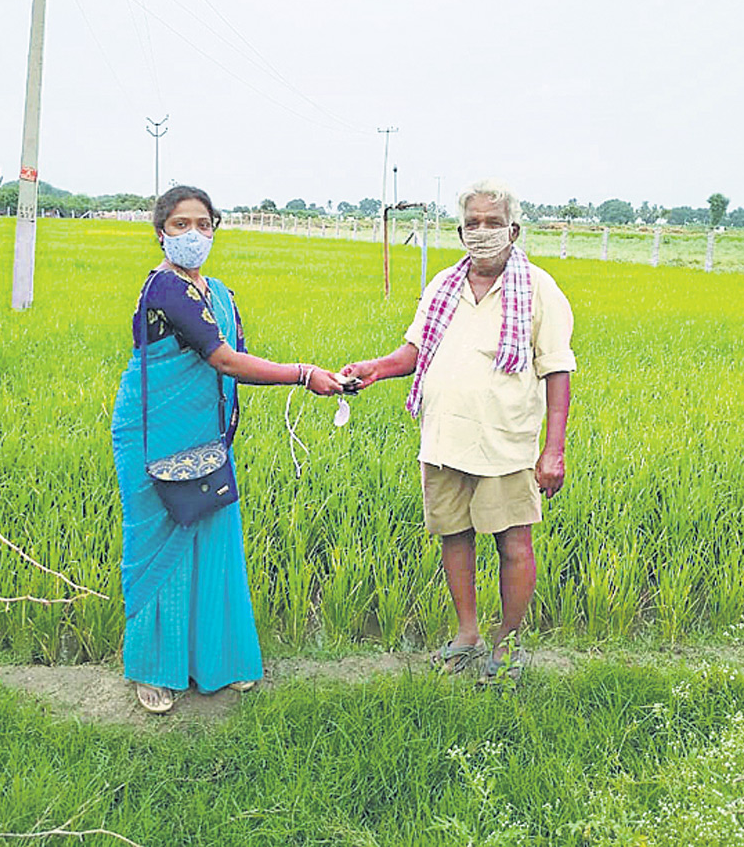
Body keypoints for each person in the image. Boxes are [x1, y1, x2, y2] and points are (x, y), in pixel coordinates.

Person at [112, 185, 343, 713]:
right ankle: (154, 669)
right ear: (160, 231)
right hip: (153, 435)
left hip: (207, 436)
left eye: (203, 224)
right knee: (158, 550)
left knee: (214, 540)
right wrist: (304, 374)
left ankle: (217, 663)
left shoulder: (220, 292)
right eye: (180, 224)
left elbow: (234, 356)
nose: (193, 234)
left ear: (215, 230)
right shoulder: (165, 290)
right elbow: (224, 361)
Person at [341, 179, 575, 683]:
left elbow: (557, 370)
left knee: (514, 544)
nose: (482, 232)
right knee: (454, 536)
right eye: (473, 223)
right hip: (443, 439)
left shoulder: (539, 289)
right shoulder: (444, 285)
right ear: (460, 230)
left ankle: (507, 646)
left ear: (514, 229)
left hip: (506, 443)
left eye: (493, 223)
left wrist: (552, 450)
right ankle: (467, 635)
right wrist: (376, 367)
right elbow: (415, 352)